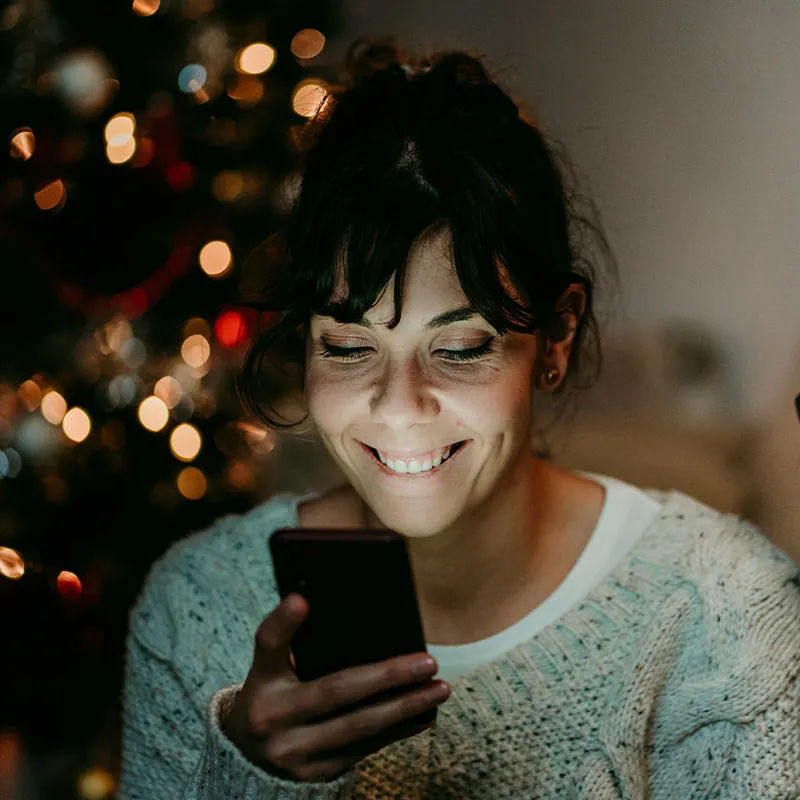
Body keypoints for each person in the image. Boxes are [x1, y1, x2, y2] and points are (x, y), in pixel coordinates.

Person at [118, 37, 800, 799]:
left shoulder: (725, 612)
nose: (399, 404)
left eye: (462, 347)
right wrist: (249, 775)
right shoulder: (196, 610)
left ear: (556, 339)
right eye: (347, 347)